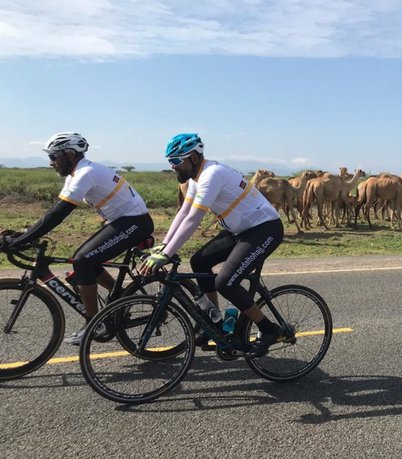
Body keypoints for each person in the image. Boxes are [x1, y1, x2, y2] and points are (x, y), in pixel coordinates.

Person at [138, 133, 284, 357]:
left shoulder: (211, 175)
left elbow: (194, 219)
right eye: (170, 162)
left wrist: (167, 254)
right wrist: (164, 246)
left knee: (225, 282)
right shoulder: (197, 179)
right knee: (199, 261)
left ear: (194, 158)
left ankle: (269, 329)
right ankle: (214, 319)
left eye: (177, 161)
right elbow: (184, 212)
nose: (173, 167)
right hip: (240, 230)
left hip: (264, 229)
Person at [2, 132, 154, 343]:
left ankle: (94, 324)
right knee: (82, 258)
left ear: (70, 154)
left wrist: (22, 241)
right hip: (123, 221)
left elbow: (59, 214)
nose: (51, 162)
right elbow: (53, 210)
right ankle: (119, 295)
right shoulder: (77, 173)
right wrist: (24, 234)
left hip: (135, 222)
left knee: (82, 261)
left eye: (54, 157)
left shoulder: (85, 173)